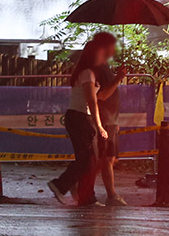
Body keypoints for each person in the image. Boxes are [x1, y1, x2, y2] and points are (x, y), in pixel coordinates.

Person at [48, 32, 118, 206]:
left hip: (81, 117)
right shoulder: (87, 73)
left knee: (90, 160)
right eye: (101, 53)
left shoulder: (90, 74)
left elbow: (100, 96)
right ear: (94, 55)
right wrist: (100, 125)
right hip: (79, 117)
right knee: (87, 159)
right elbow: (92, 101)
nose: (104, 56)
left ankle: (85, 196)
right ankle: (61, 185)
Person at [94, 54, 128, 205]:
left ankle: (78, 184)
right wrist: (118, 78)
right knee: (106, 158)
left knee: (111, 158)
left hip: (111, 120)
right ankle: (111, 195)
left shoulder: (106, 69)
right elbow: (102, 95)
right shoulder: (97, 69)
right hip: (105, 120)